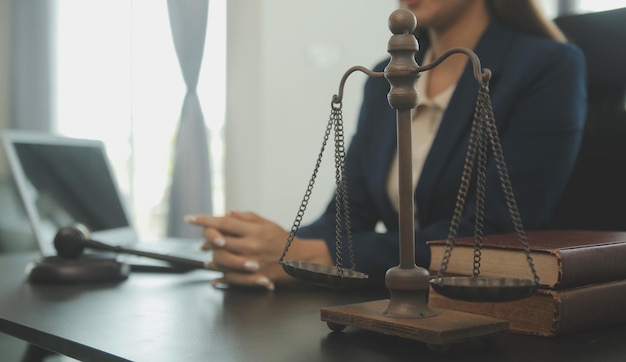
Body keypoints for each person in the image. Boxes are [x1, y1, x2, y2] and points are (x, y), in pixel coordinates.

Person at [185, 0, 586, 291]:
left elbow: (492, 235)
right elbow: (346, 216)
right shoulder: (385, 74)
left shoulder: (548, 66)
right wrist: (261, 246)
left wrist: (309, 254)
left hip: (496, 318)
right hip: (393, 309)